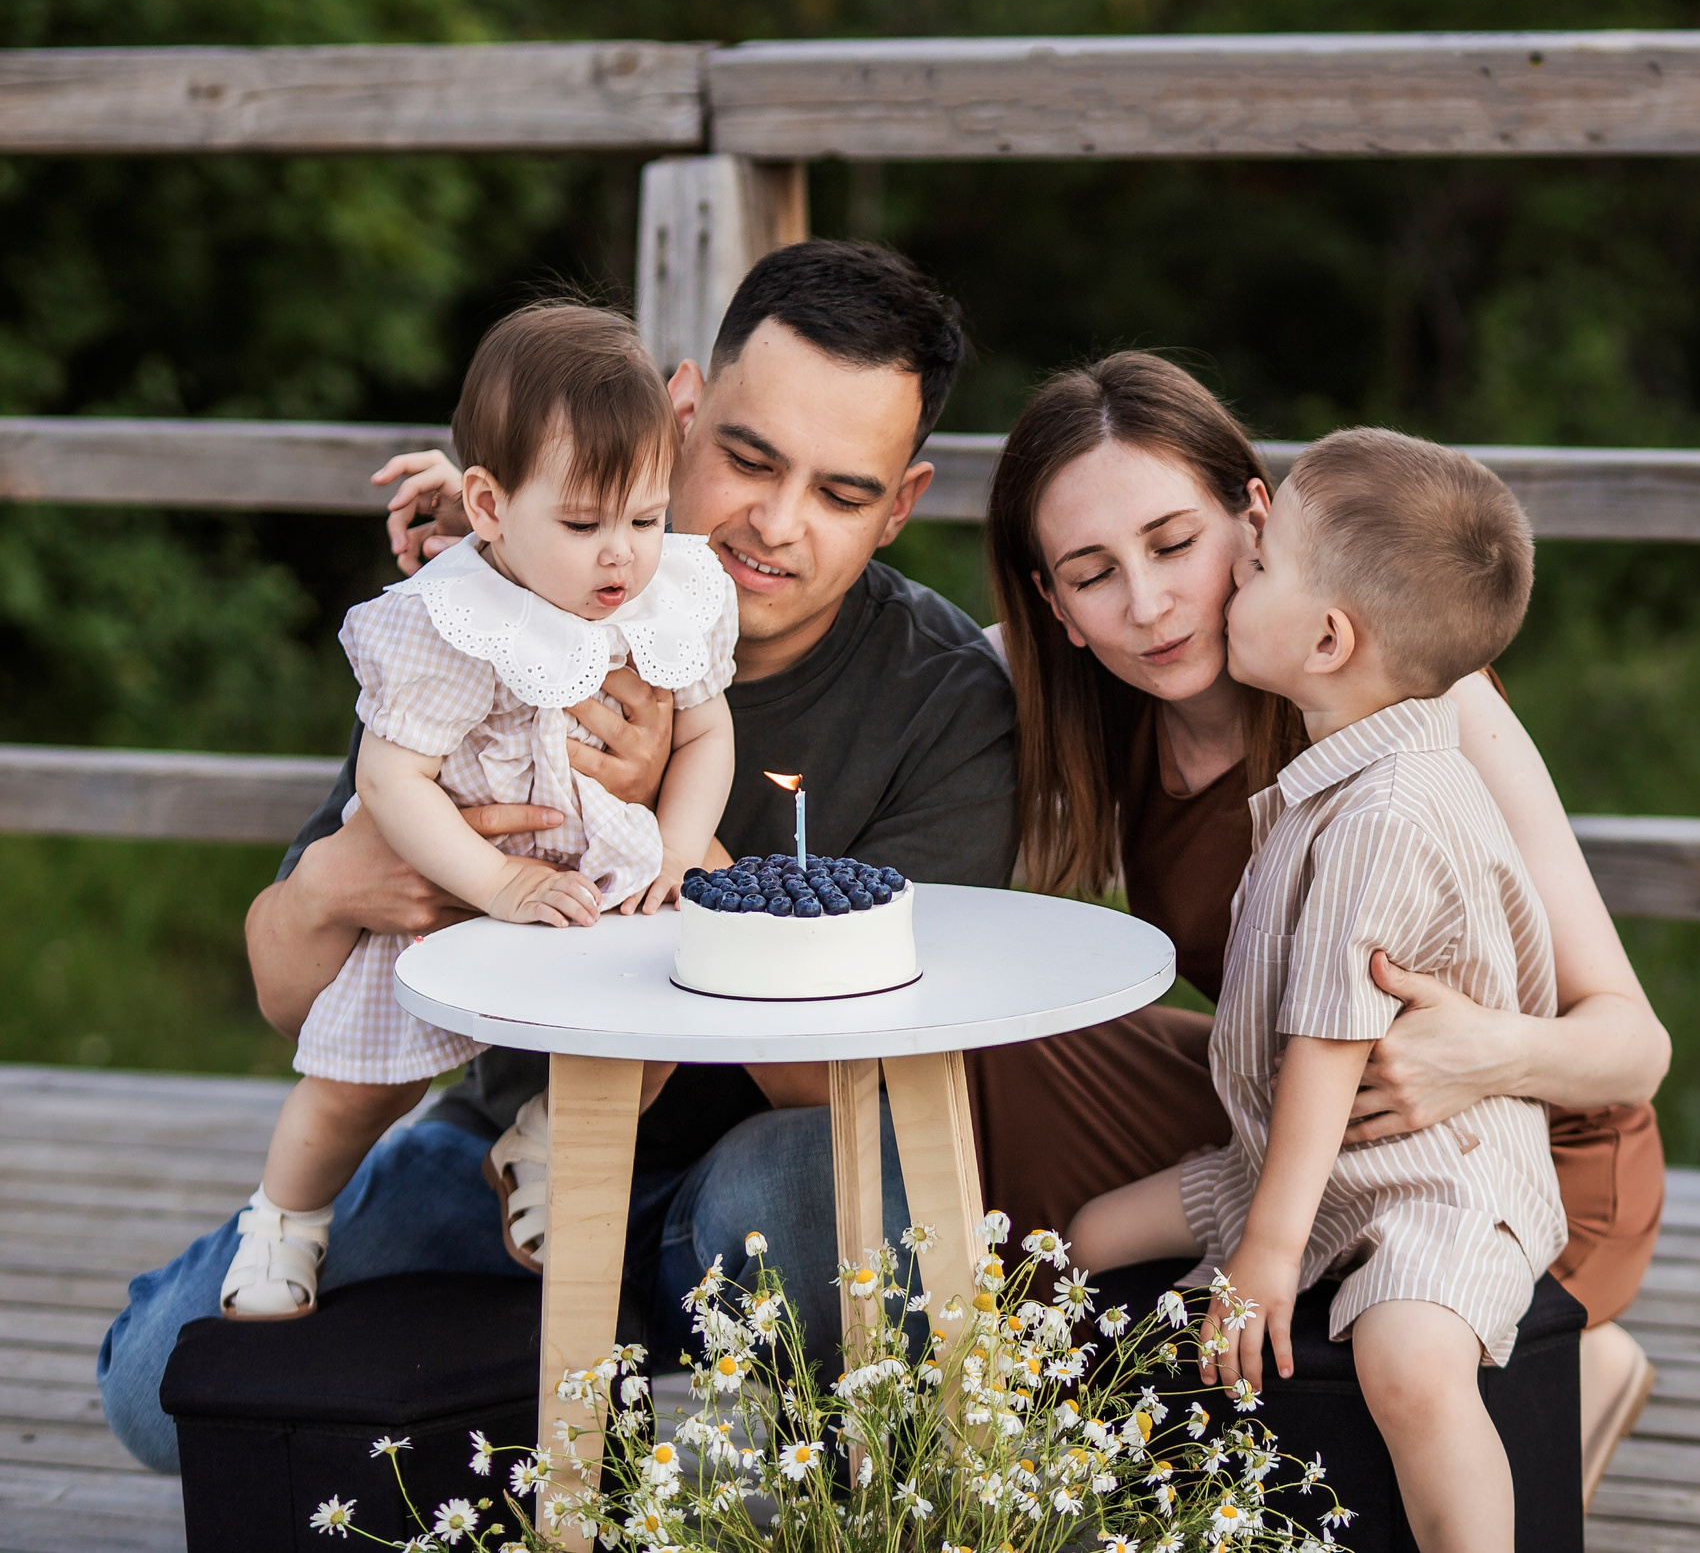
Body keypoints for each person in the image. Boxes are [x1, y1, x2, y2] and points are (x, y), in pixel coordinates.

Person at [97, 239, 1015, 1472]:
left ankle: (829, 1480)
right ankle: (534, 1368)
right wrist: (337, 881)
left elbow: (864, 1085)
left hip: (742, 1170)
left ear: (901, 503)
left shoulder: (944, 700)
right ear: (678, 411)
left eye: (842, 493)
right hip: (495, 1139)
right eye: (745, 458)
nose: (773, 524)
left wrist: (668, 826)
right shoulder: (494, 605)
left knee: (811, 1191)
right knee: (159, 1388)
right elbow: (283, 992)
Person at [976, 352, 1669, 1497]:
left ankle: (1571, 1376)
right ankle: (1036, 1461)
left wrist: (1482, 1053)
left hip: (1504, 1146)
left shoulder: (1413, 706)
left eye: (1172, 545)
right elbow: (899, 651)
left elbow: (1635, 1047)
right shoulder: (1080, 689)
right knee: (996, 1058)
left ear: (1252, 518)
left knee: (1407, 1350)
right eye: (1092, 574)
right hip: (1301, 1117)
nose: (1144, 605)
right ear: (1054, 604)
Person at [1074, 428, 1563, 1551]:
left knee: (1408, 1363)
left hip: (1426, 1180)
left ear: (1330, 637)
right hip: (1298, 1162)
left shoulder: (1386, 811)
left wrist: (1266, 1255)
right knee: (1089, 1240)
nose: (1231, 576)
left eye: (1256, 571)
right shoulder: (1338, 771)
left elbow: (1331, 1042)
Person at [222, 303, 739, 1321]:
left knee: (661, 1004)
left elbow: (707, 731)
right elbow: (391, 780)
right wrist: (497, 880)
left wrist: (677, 848)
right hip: (451, 878)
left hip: (600, 862)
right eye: (583, 526)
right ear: (489, 507)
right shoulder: (453, 619)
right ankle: (285, 1219)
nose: (620, 558)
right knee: (359, 1079)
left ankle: (548, 1140)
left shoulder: (666, 594)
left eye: (644, 517)